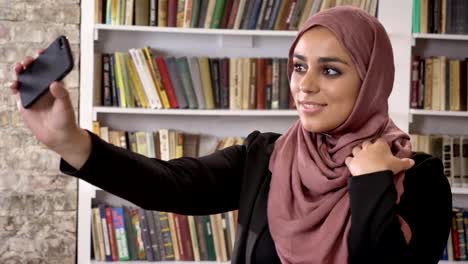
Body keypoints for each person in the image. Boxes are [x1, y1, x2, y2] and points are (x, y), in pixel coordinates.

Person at [9, 6, 452, 264]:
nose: (304, 85)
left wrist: (371, 182)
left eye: (330, 70)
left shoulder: (417, 176)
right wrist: (67, 139)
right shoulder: (269, 156)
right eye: (298, 66)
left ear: (372, 78)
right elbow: (169, 184)